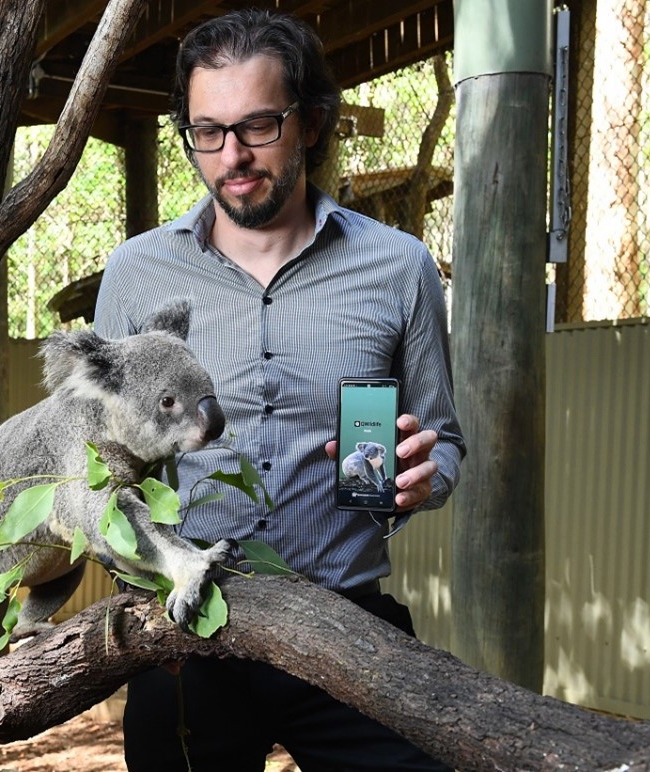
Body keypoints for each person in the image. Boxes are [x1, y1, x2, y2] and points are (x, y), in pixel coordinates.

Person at [93, 8, 464, 771]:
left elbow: (446, 441)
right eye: (208, 131)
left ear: (313, 123)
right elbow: (101, 466)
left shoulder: (398, 268)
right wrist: (139, 595)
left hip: (351, 621)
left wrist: (426, 475)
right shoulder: (135, 275)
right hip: (189, 631)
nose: (233, 155)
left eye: (258, 126)